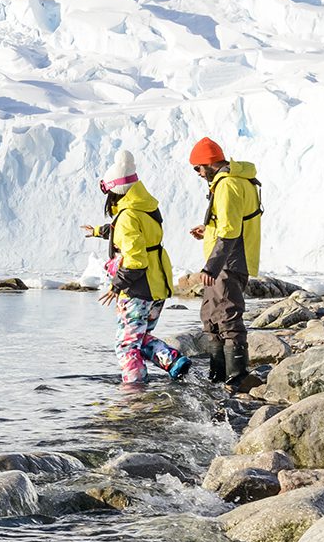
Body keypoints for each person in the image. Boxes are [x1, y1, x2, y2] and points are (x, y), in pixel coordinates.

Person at [81, 150, 188, 387]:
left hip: (138, 290)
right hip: (157, 286)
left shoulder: (127, 216)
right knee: (138, 338)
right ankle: (171, 360)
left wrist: (117, 284)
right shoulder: (146, 207)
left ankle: (135, 391)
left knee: (126, 345)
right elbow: (134, 235)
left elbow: (136, 260)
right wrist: (99, 231)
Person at [186, 138, 263, 390]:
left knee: (228, 317)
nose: (197, 173)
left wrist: (211, 267)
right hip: (225, 260)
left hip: (228, 262)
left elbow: (230, 231)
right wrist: (207, 229)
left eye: (197, 168)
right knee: (211, 316)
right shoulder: (230, 182)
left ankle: (237, 377)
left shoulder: (228, 185)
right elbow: (227, 223)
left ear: (209, 163)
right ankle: (218, 377)